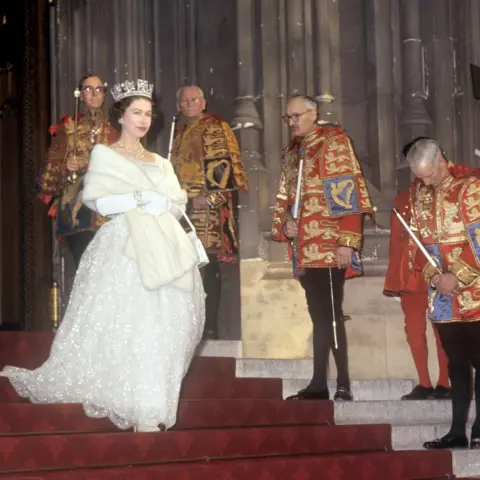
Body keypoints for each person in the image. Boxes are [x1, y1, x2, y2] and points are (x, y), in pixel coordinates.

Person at [0, 79, 205, 433]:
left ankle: (151, 405)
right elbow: (98, 201)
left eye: (148, 113)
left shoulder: (160, 160)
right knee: (129, 323)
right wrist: (142, 200)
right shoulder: (105, 154)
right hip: (124, 244)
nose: (143, 120)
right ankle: (128, 398)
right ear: (121, 116)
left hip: (164, 247)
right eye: (136, 112)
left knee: (162, 328)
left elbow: (176, 203)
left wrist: (166, 204)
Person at [272, 95, 373, 401]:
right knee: (318, 314)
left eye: (297, 116)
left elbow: (348, 191)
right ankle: (318, 382)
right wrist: (287, 225)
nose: (292, 122)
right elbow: (286, 199)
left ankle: (342, 383)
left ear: (313, 114)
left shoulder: (333, 143)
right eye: (288, 117)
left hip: (330, 244)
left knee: (331, 313)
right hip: (305, 246)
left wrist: (347, 241)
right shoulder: (293, 152)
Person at [405, 138, 480, 450]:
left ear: (441, 161)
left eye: (429, 175)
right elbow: (416, 249)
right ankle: (456, 430)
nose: (424, 182)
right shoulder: (417, 194)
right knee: (457, 365)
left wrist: (456, 276)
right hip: (444, 300)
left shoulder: (470, 188)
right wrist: (435, 277)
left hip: (475, 294)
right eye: (419, 177)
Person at [172, 85, 248, 339]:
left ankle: (209, 328)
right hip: (180, 210)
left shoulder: (214, 126)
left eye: (194, 99)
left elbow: (222, 170)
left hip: (206, 212)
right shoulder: (178, 132)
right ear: (179, 105)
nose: (189, 104)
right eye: (185, 100)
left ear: (204, 103)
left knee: (207, 268)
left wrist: (208, 199)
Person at [37, 74, 119, 267]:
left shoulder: (117, 129)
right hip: (78, 215)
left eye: (98, 89)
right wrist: (65, 167)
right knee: (86, 271)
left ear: (104, 94)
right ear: (80, 95)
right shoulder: (66, 128)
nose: (94, 94)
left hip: (110, 213)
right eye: (88, 89)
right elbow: (46, 179)